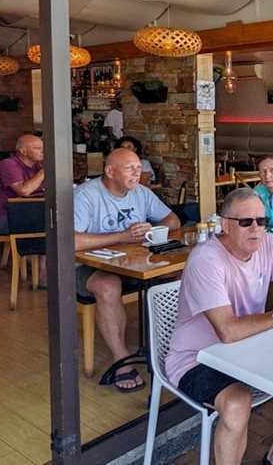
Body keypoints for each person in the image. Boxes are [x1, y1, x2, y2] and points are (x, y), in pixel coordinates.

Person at [166, 188, 273, 465]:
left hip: (249, 348)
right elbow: (228, 331)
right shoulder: (206, 258)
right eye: (246, 222)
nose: (257, 229)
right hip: (196, 357)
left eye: (262, 221)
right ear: (224, 225)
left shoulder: (270, 245)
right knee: (237, 404)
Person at [74, 148, 181, 392]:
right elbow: (73, 241)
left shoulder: (141, 193)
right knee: (107, 285)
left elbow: (172, 220)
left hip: (133, 263)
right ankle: (121, 359)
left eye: (138, 167)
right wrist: (121, 236)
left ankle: (171, 346)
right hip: (88, 266)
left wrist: (151, 232)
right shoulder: (86, 195)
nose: (138, 172)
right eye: (129, 167)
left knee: (179, 272)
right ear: (110, 171)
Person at [0, 134, 44, 234]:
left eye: (43, 148)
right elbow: (24, 191)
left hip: (22, 214)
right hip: (0, 217)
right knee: (51, 224)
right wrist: (44, 171)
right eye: (37, 148)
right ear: (22, 151)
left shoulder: (36, 167)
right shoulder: (9, 164)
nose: (42, 151)